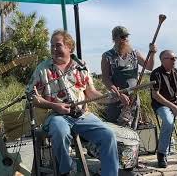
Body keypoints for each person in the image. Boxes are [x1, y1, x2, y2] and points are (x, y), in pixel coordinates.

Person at [27, 30, 119, 176]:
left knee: (108, 135)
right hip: (57, 116)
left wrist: (109, 97)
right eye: (52, 46)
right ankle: (66, 170)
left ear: (69, 47)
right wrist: (53, 105)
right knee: (60, 131)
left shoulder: (81, 66)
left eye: (58, 45)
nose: (54, 49)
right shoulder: (42, 68)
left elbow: (90, 92)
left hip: (83, 116)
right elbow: (32, 96)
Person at [101, 26, 157, 127]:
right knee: (116, 130)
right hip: (116, 100)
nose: (125, 39)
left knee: (132, 129)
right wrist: (119, 94)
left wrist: (152, 53)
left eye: (126, 37)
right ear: (114, 39)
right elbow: (105, 79)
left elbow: (149, 67)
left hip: (134, 98)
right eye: (122, 37)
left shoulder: (135, 53)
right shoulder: (107, 56)